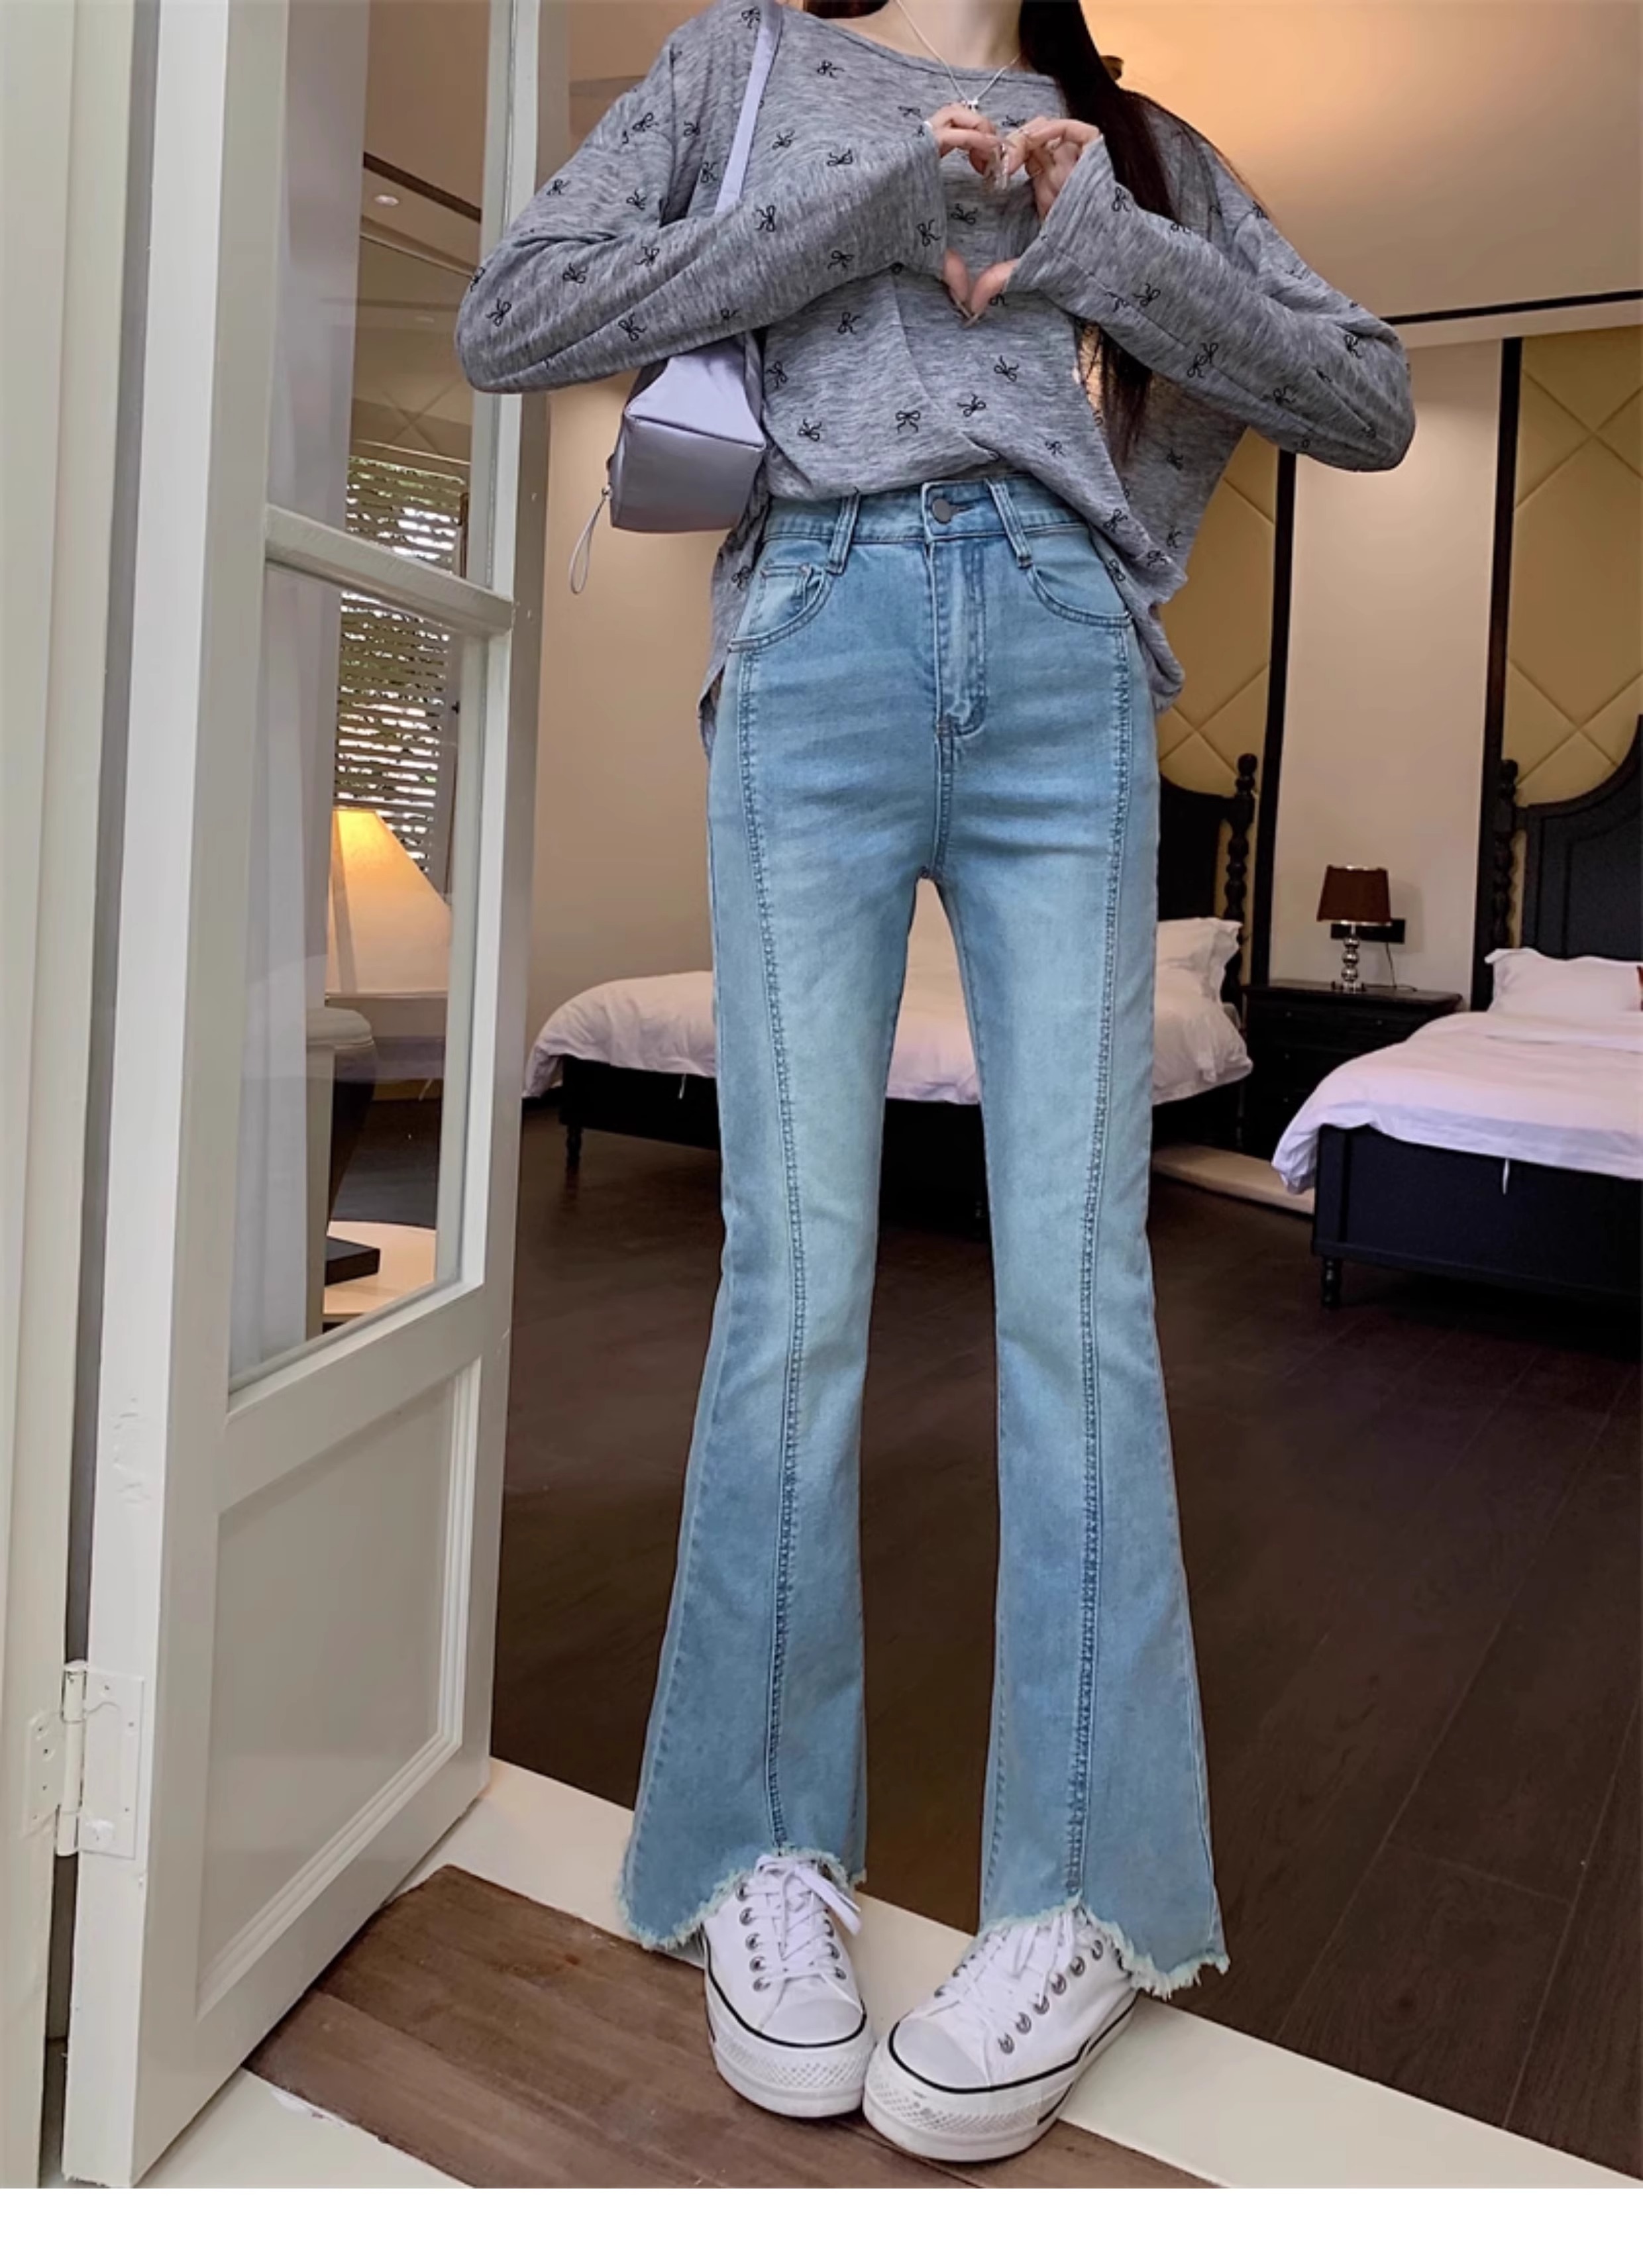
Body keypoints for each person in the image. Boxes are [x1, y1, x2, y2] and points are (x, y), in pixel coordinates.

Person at [457, 0, 1414, 2166]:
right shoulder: (742, 63)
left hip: (1070, 651)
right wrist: (879, 210)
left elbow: (1365, 393)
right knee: (793, 1275)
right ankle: (754, 1844)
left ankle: (1086, 1893)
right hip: (816, 618)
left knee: (1081, 1287)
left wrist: (1099, 251)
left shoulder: (1142, 140)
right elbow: (516, 316)